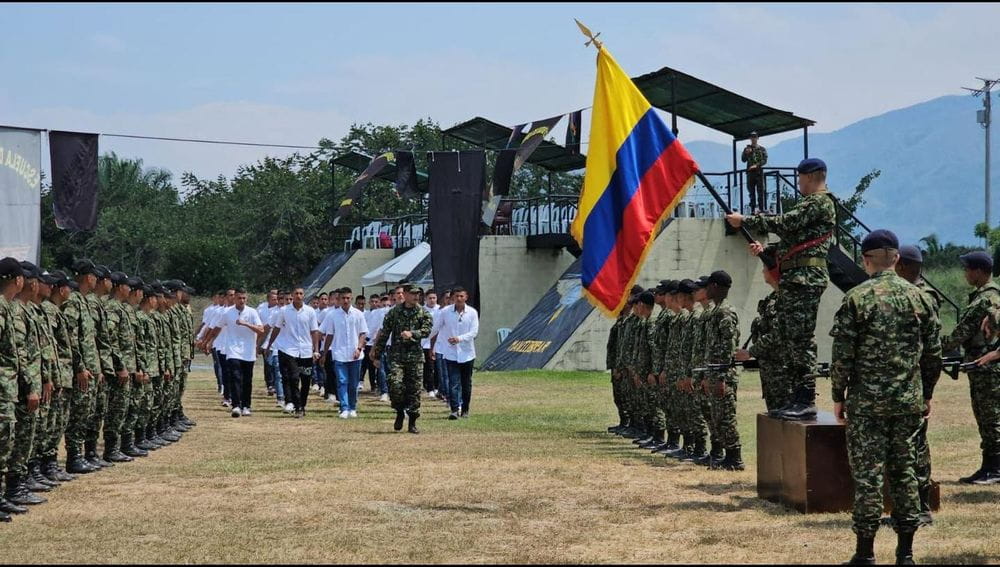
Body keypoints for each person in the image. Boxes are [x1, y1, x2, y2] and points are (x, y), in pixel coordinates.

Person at [830, 230, 941, 566]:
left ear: (866, 261)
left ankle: (865, 553)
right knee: (905, 471)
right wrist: (927, 393)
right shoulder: (920, 297)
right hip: (908, 401)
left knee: (868, 475)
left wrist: (838, 395)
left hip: (866, 406)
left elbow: (842, 355)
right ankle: (905, 553)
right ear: (896, 259)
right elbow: (933, 353)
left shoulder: (856, 298)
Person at [725, 157, 837, 421]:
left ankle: (806, 397)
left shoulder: (820, 202)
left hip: (805, 277)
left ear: (810, 176)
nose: (798, 183)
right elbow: (795, 239)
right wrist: (768, 251)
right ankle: (798, 396)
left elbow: (786, 223)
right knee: (790, 336)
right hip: (797, 276)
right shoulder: (812, 203)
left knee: (800, 338)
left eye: (800, 178)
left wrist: (745, 221)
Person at [942, 251, 1000, 485]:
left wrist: (932, 345)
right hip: (982, 366)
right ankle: (988, 466)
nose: (965, 273)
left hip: (988, 368)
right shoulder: (989, 296)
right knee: (986, 418)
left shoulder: (985, 299)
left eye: (967, 269)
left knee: (991, 419)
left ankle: (995, 469)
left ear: (978, 271)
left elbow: (960, 334)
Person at [894, 245, 944, 515]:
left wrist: (927, 392)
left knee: (916, 448)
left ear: (902, 266)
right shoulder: (915, 295)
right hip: (909, 385)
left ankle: (921, 507)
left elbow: (931, 351)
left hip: (913, 384)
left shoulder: (923, 297)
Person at [372, 284, 433, 433]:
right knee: (395, 384)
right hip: (397, 357)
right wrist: (376, 353)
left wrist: (413, 334)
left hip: (415, 357)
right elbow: (385, 333)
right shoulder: (394, 313)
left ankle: (412, 421)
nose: (416, 296)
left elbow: (427, 331)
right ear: (404, 294)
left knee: (414, 390)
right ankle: (399, 411)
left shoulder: (423, 313)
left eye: (417, 294)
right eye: (412, 294)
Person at [736, 249, 789, 413]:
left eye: (765, 267)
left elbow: (778, 334)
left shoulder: (786, 298)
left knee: (785, 423)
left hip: (784, 375)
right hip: (772, 375)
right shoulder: (772, 298)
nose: (763, 271)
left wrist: (751, 352)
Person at [702, 271, 743, 471]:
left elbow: (728, 346)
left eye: (708, 285)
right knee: (718, 416)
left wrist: (721, 377)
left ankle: (735, 458)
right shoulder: (717, 310)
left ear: (716, 286)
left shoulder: (725, 311)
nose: (706, 289)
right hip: (716, 373)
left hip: (723, 375)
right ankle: (727, 456)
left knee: (726, 416)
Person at [206, 288, 265, 418]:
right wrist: (209, 341)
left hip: (248, 351)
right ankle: (236, 405)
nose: (242, 300)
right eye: (239, 298)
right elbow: (217, 328)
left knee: (247, 380)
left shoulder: (252, 312)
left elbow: (261, 330)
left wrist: (246, 324)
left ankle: (246, 406)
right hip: (233, 351)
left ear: (246, 298)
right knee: (235, 377)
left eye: (244, 298)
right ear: (234, 299)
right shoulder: (228, 313)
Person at [265, 287, 320, 418]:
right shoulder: (284, 311)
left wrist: (316, 349)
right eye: (296, 294)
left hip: (306, 350)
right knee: (294, 378)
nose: (299, 296)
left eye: (301, 294)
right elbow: (277, 328)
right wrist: (269, 345)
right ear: (292, 295)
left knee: (306, 380)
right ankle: (298, 406)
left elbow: (314, 331)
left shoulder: (310, 311)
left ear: (304, 296)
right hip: (290, 349)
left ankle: (303, 404)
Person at [320, 287, 368, 419]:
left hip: (355, 354)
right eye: (343, 298)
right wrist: (324, 353)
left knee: (353, 383)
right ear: (339, 299)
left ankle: (352, 407)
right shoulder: (332, 315)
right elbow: (329, 335)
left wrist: (359, 348)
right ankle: (344, 407)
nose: (346, 300)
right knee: (342, 381)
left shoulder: (358, 314)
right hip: (339, 353)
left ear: (351, 298)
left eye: (348, 298)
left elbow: (363, 333)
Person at [433, 286, 479, 419]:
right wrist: (422, 338)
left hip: (467, 353)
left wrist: (459, 339)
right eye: (456, 296)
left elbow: (474, 332)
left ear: (466, 297)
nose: (459, 299)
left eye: (461, 296)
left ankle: (465, 409)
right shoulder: (445, 312)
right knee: (453, 382)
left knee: (466, 383)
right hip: (451, 353)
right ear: (452, 298)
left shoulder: (472, 312)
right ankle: (454, 409)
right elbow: (436, 328)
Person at [740, 131, 768, 213]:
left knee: (761, 191)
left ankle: (761, 209)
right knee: (751, 192)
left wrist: (757, 165)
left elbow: (764, 160)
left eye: (755, 137)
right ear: (750, 138)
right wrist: (746, 153)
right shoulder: (747, 149)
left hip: (759, 172)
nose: (753, 139)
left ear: (757, 138)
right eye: (752, 137)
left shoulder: (762, 149)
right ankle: (752, 209)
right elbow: (743, 160)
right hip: (750, 173)